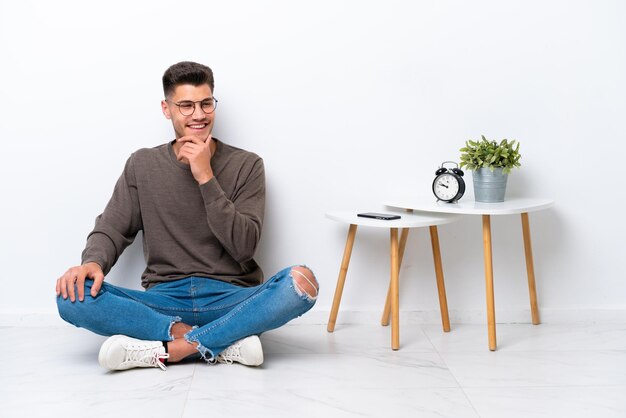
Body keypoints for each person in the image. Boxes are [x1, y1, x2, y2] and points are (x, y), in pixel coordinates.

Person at [56, 61, 318, 371]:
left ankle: (173, 350)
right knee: (70, 296)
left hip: (230, 299)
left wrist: (206, 176)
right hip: (164, 301)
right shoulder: (142, 164)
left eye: (206, 103)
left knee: (302, 282)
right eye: (186, 105)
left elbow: (244, 247)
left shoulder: (247, 165)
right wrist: (92, 263)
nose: (199, 114)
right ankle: (218, 341)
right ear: (167, 109)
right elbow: (112, 227)